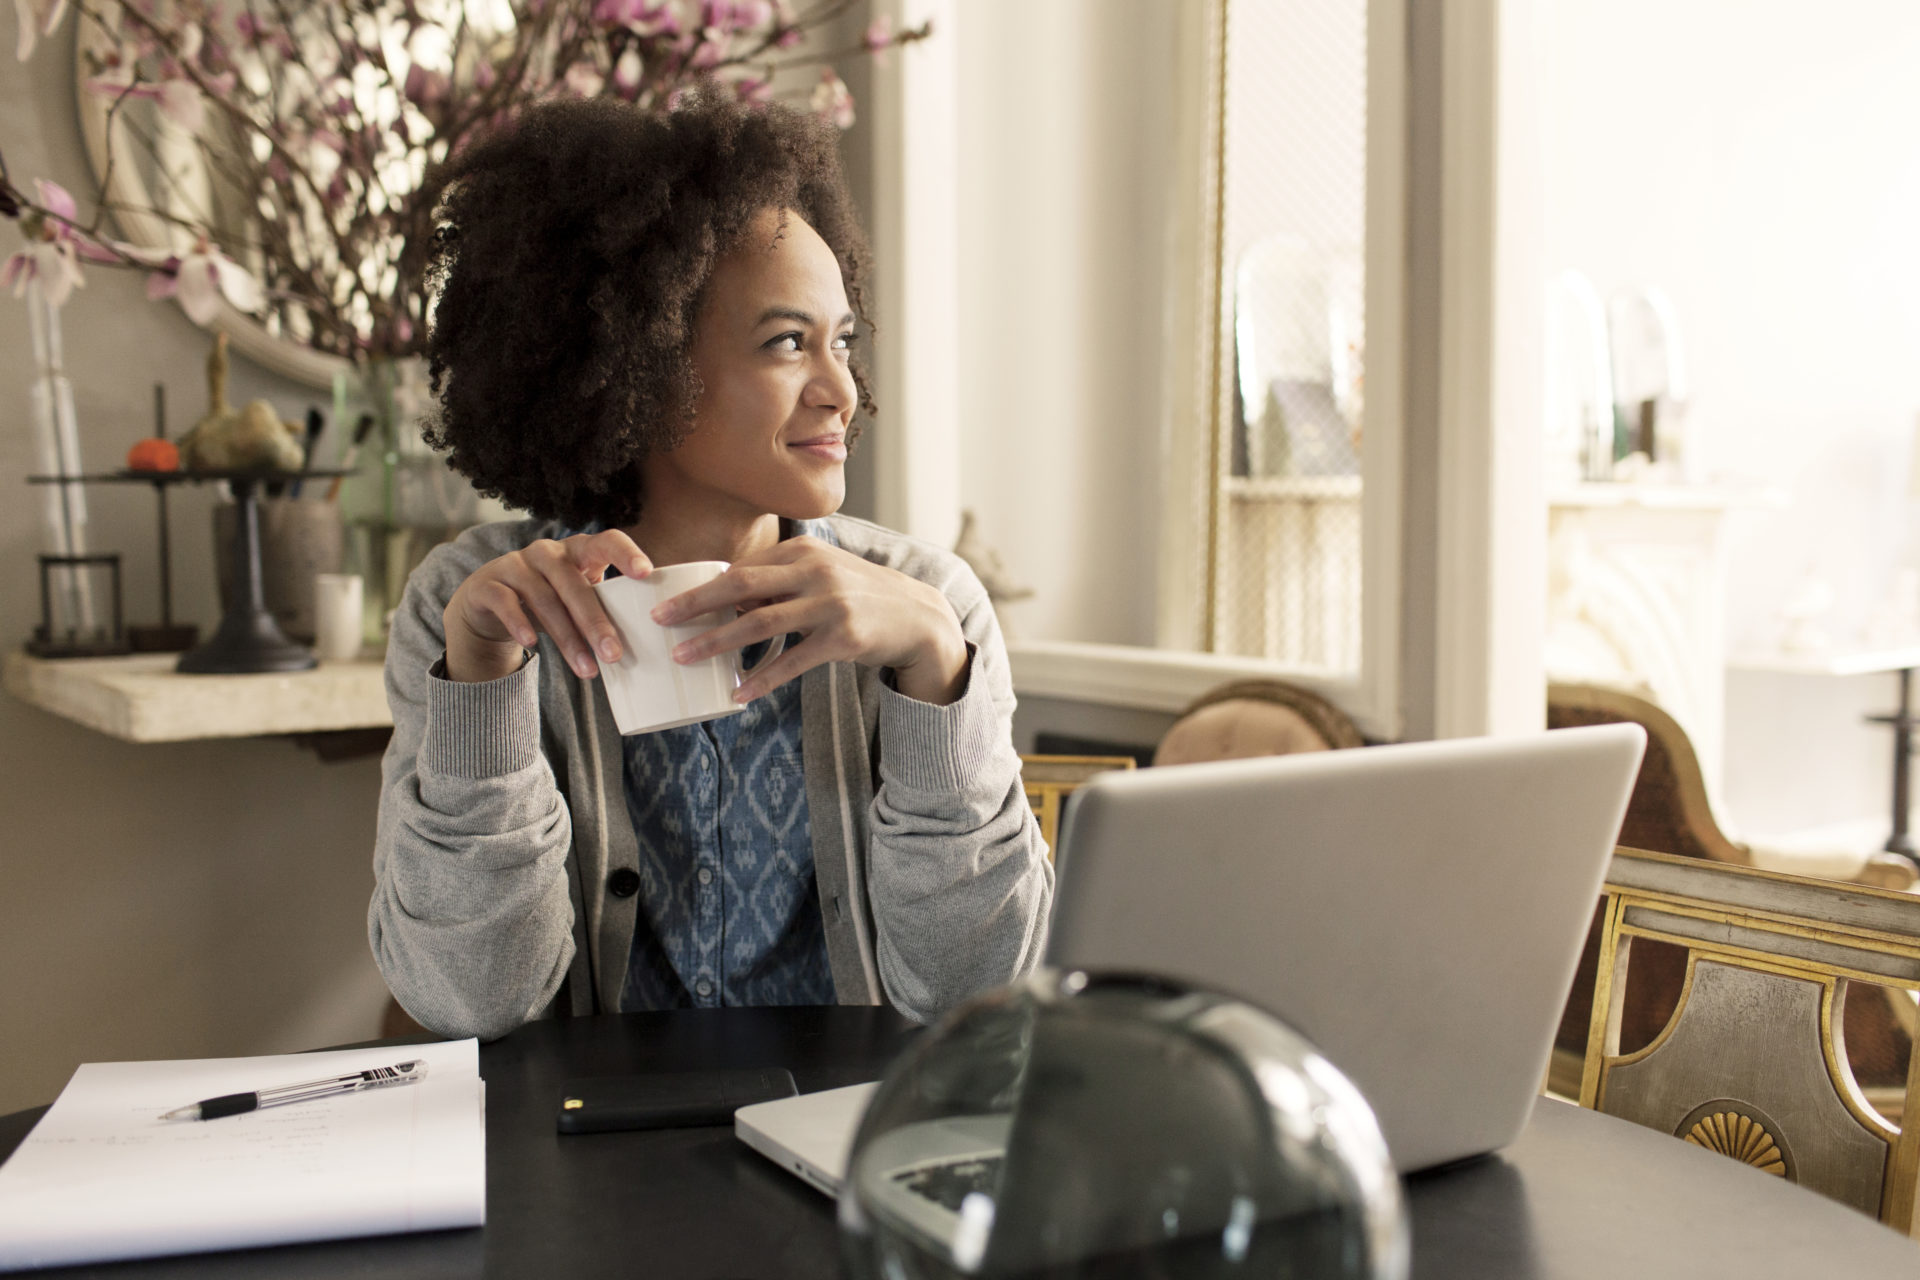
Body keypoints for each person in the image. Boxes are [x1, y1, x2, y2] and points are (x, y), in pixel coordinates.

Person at [368, 93, 1053, 1041]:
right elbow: (471, 1001)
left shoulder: (931, 608)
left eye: (842, 342)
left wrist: (938, 673)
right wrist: (484, 681)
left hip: (842, 1136)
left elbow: (976, 995)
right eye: (786, 344)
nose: (842, 391)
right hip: (575, 1152)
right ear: (635, 366)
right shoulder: (470, 604)